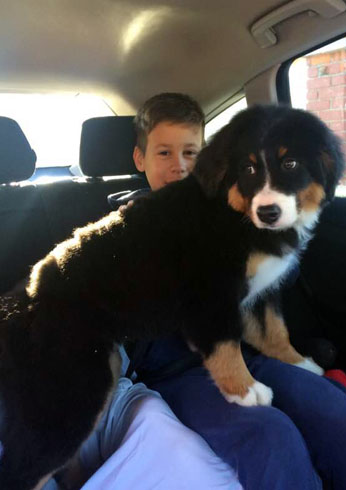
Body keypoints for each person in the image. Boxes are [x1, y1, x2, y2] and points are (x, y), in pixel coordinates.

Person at [43, 94, 242, 490]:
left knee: (324, 413)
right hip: (165, 362)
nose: (179, 165)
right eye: (164, 152)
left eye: (190, 153)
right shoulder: (127, 223)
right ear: (140, 159)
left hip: (233, 353)